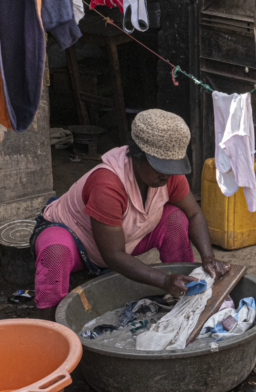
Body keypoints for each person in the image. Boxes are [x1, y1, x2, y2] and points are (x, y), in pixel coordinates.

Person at [30, 109, 229, 319]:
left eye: (172, 166)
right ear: (137, 155)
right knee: (55, 251)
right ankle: (49, 323)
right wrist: (163, 280)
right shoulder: (107, 183)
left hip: (125, 238)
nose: (166, 174)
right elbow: (113, 255)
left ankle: (187, 287)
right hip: (78, 241)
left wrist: (208, 258)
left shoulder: (170, 177)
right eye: (160, 166)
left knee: (175, 218)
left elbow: (194, 214)